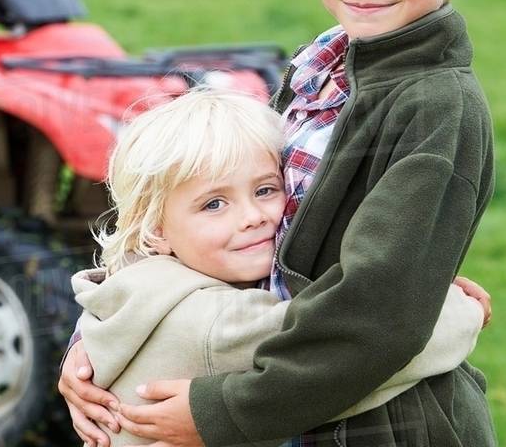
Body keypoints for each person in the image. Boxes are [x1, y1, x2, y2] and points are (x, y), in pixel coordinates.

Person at [60, 0, 499, 447]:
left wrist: (223, 412)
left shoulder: (437, 107)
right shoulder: (322, 64)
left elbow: (375, 318)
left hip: (382, 426)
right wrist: (98, 342)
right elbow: (204, 230)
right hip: (286, 401)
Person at [72, 87, 485, 447]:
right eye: (214, 204)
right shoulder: (216, 322)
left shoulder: (134, 289)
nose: (252, 216)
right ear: (157, 229)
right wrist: (455, 306)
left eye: (266, 189)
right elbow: (357, 354)